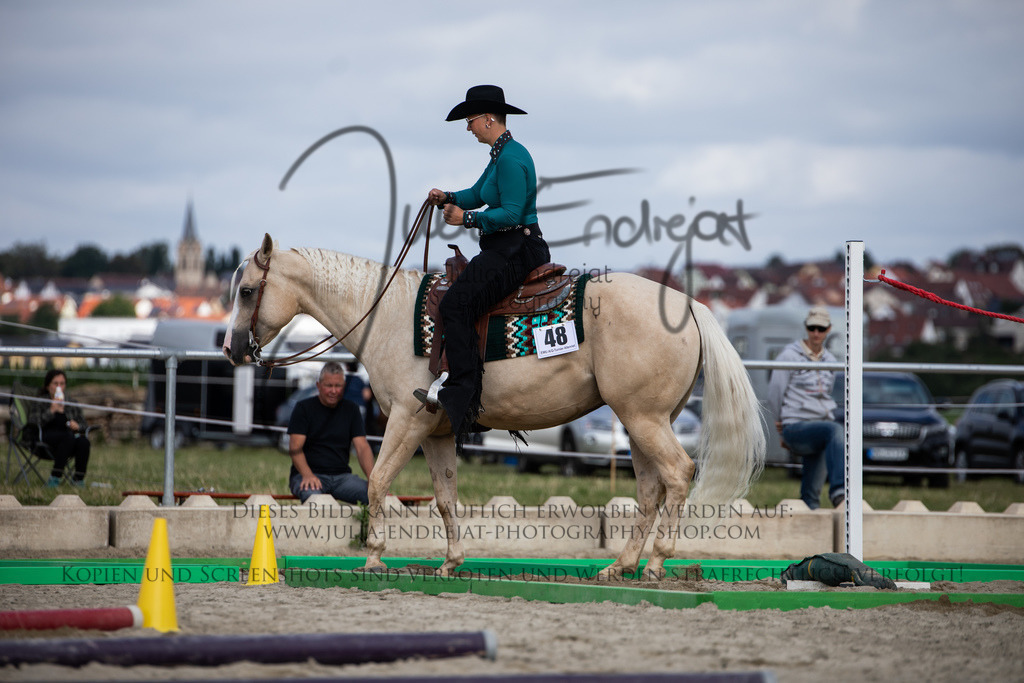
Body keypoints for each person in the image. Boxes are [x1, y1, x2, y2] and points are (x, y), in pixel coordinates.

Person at [415, 84, 551, 448]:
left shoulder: (509, 159)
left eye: (470, 120)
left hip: (516, 249)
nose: (468, 127)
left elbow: (512, 213)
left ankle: (463, 397)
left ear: (488, 119)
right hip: (508, 247)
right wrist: (449, 197)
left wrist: (468, 219)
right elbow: (478, 193)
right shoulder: (501, 154)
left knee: (455, 306)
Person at [766, 306, 846, 509]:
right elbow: (774, 393)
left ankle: (809, 511)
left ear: (829, 329)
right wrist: (780, 425)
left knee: (811, 497)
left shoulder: (830, 360)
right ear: (806, 328)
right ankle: (840, 492)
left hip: (820, 427)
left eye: (821, 328)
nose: (816, 333)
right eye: (812, 328)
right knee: (836, 431)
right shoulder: (789, 356)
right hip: (796, 425)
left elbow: (827, 392)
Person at [286, 362, 375, 504]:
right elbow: (295, 448)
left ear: (344, 386)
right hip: (307, 475)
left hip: (342, 478)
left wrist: (373, 480)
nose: (333, 391)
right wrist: (307, 475)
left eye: (338, 386)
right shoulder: (303, 408)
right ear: (318, 385)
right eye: (329, 385)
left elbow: (362, 447)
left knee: (378, 496)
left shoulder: (352, 409)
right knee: (317, 502)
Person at [27, 369, 91, 488]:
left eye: (62, 384)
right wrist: (51, 410)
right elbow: (32, 423)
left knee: (83, 442)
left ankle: (78, 480)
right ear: (48, 386)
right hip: (45, 439)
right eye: (55, 383)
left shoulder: (71, 403)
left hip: (68, 440)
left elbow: (84, 424)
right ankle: (55, 477)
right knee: (68, 437)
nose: (59, 387)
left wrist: (77, 426)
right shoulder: (40, 402)